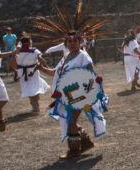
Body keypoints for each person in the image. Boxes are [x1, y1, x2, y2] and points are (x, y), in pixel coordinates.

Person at [37, 32, 104, 160]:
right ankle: (85, 142)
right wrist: (42, 68)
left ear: (80, 42)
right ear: (66, 43)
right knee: (68, 120)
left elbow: (90, 74)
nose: (72, 44)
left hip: (79, 94)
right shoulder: (66, 57)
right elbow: (55, 73)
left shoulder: (83, 57)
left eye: (75, 41)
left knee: (71, 121)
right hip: (65, 95)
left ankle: (74, 151)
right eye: (70, 41)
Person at [14, 37, 50, 113]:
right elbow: (40, 59)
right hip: (32, 72)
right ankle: (35, 104)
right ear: (30, 42)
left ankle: (34, 104)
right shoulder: (34, 51)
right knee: (34, 88)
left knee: (29, 88)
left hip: (23, 72)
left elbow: (10, 62)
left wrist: (16, 70)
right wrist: (47, 67)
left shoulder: (18, 52)